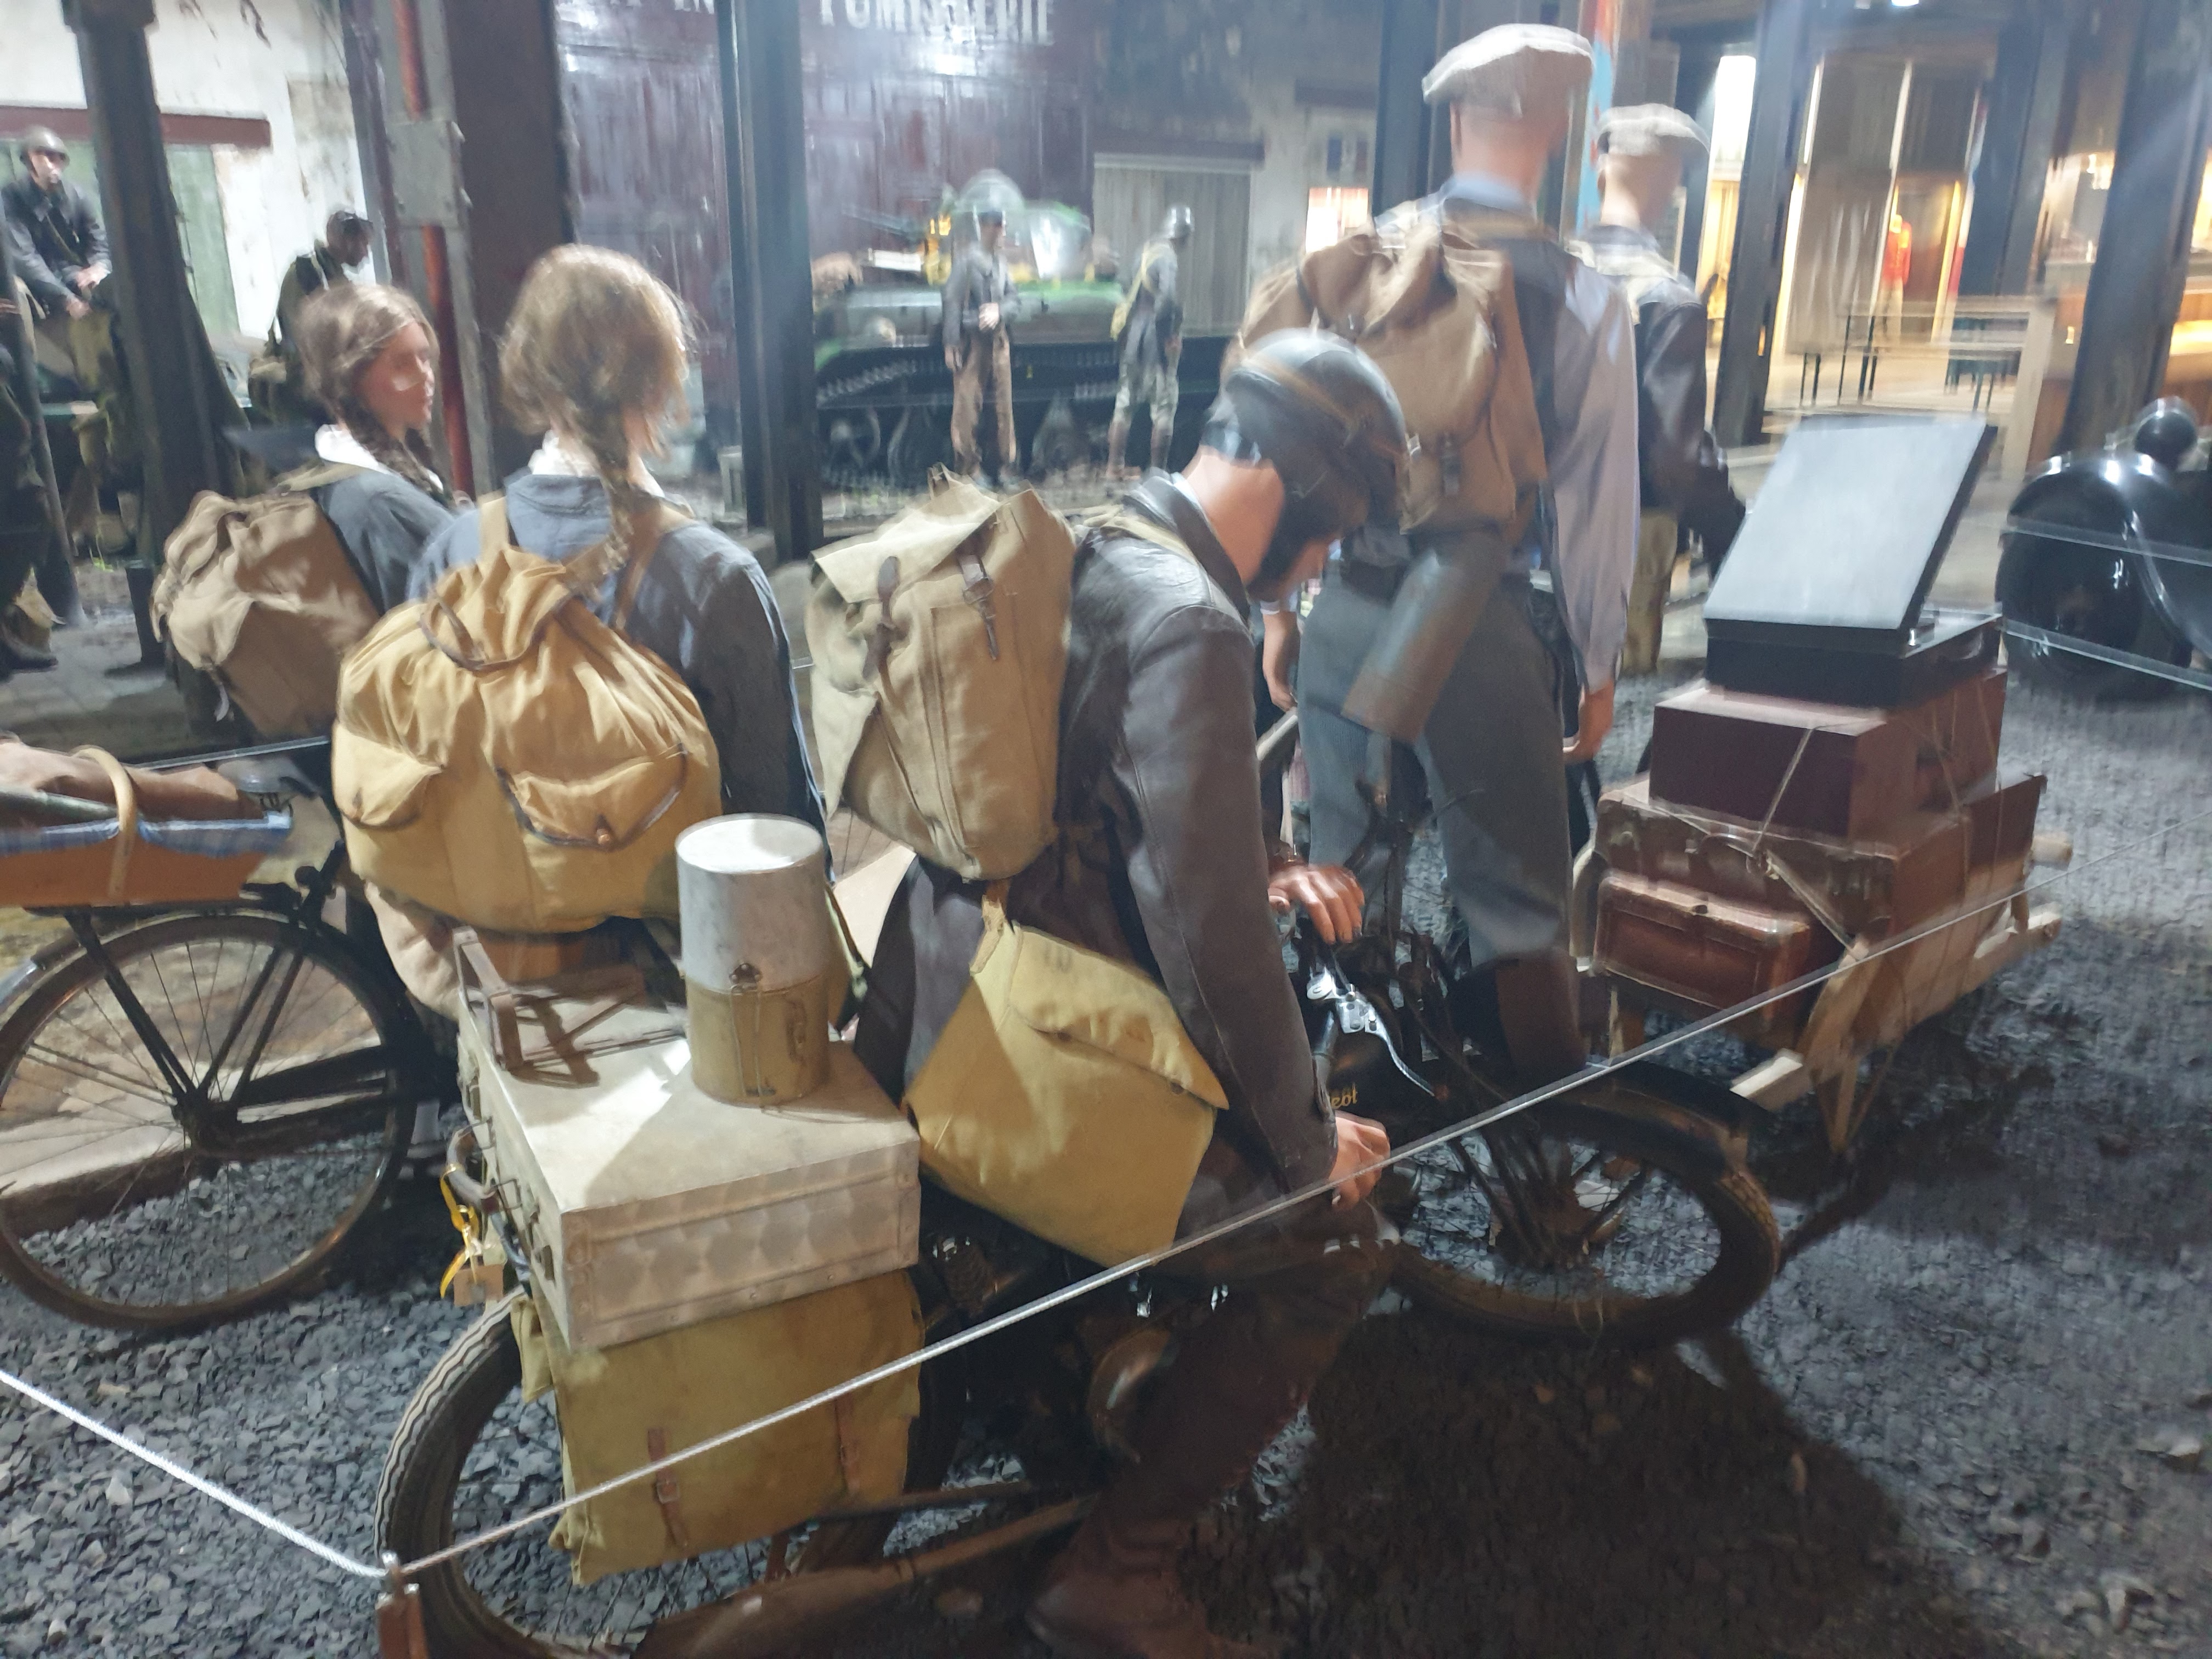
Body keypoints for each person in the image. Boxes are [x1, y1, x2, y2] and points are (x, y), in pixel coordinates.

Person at [857, 331, 1404, 1658]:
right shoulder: (1193, 620)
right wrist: (1304, 1145)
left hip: (931, 975)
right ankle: (1117, 1571)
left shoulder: (1099, 536)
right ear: (1295, 485)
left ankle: (1069, 1369)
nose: (1324, 566)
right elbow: (1210, 943)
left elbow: (1121, 805)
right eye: (1334, 536)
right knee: (1333, 1250)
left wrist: (1264, 863)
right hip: (1013, 1044)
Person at [1273, 25, 1639, 1086]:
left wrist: (1282, 613)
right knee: (1516, 902)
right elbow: (1593, 508)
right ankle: (1540, 1145)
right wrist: (1597, 665)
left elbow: (1293, 441)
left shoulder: (1365, 263)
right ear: (1556, 128)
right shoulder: (1583, 295)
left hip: (1349, 607)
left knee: (1340, 880)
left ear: (1452, 125)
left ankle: (1347, 1121)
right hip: (1481, 621)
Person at [414, 244, 820, 829]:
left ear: (531, 376)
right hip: (671, 889)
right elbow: (778, 817)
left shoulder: (452, 551)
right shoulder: (713, 578)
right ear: (658, 383)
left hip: (491, 886)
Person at [1573, 104, 1719, 676]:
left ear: (1600, 166)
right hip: (1632, 529)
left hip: (1535, 523)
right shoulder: (1669, 298)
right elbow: (1673, 459)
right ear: (1671, 183)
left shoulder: (1551, 272)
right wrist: (1721, 517)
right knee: (1614, 690)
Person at [291, 282, 455, 611]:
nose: (425, 376)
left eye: (425, 358)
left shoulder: (333, 461)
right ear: (351, 378)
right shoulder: (380, 500)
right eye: (402, 364)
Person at [2, 128, 108, 383]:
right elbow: (24, 258)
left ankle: (103, 372)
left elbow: (98, 240)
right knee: (17, 298)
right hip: (30, 280)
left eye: (58, 157)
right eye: (45, 156)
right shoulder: (11, 199)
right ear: (29, 160)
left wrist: (100, 267)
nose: (53, 164)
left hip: (69, 272)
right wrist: (67, 299)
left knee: (107, 292)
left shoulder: (76, 195)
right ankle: (29, 378)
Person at [258, 208, 374, 425]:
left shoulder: (332, 274)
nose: (366, 254)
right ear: (345, 241)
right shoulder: (308, 273)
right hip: (307, 386)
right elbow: (307, 339)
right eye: (363, 244)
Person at [1107, 204, 1192, 479]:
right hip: (1156, 339)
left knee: (1125, 403)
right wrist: (1169, 336)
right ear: (1182, 235)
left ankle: (1114, 466)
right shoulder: (1168, 257)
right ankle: (1157, 473)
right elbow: (1167, 299)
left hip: (1134, 336)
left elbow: (1127, 287)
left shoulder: (1144, 251)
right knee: (1164, 405)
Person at [942, 204, 1017, 483]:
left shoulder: (1001, 263)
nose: (1002, 232)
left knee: (1003, 407)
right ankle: (969, 467)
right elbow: (952, 299)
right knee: (967, 405)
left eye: (1002, 226)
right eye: (998, 226)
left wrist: (999, 310)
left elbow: (1014, 299)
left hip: (998, 341)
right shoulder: (967, 261)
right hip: (973, 342)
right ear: (987, 227)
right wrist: (951, 343)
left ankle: (1005, 464)